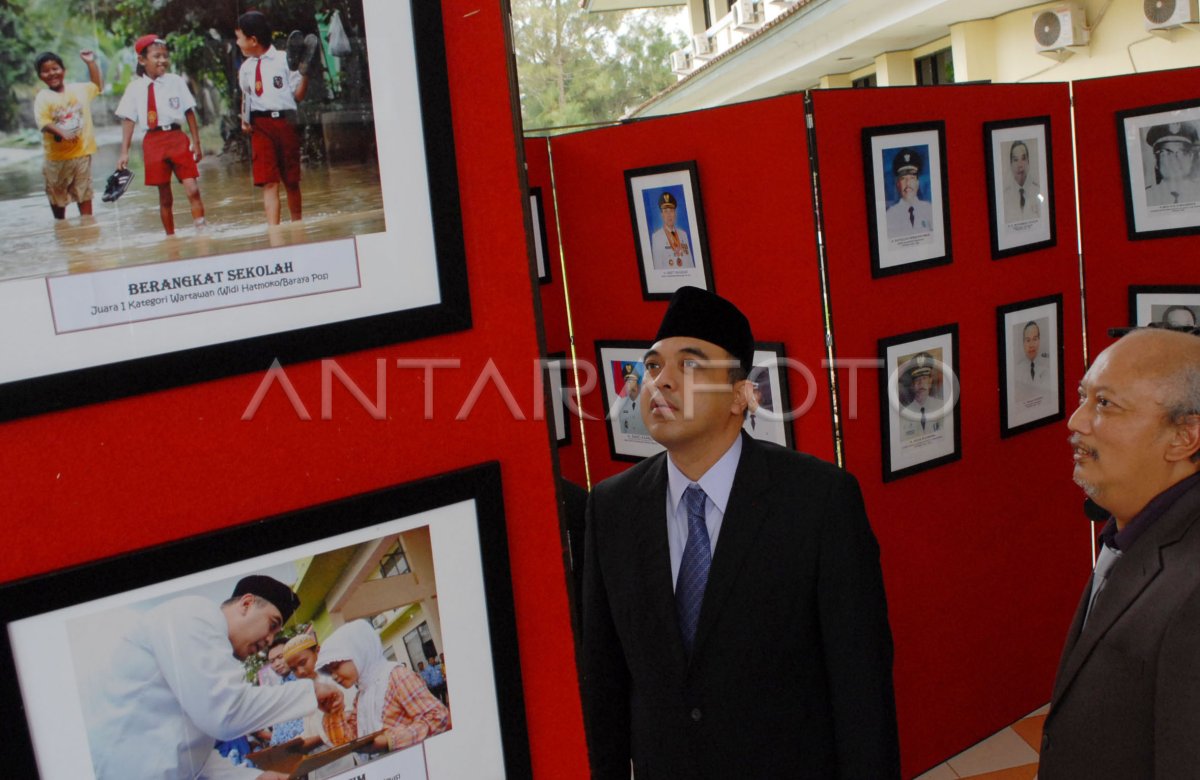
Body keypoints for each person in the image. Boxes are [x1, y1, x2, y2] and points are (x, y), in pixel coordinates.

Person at [582, 286, 899, 778]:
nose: (660, 382)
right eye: (651, 367)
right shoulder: (611, 507)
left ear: (739, 396)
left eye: (688, 366)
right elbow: (603, 682)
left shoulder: (818, 501)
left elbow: (862, 686)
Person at [1040, 328, 1200, 778]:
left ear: (1184, 436)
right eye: (1083, 397)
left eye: (1105, 404)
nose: (1076, 421)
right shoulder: (1133, 522)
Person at [87, 575, 343, 779]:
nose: (268, 641)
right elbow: (226, 713)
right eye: (272, 624)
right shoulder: (195, 615)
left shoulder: (213, 655)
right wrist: (311, 690)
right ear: (246, 604)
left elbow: (191, 755)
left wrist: (251, 778)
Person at [114, 34, 207, 236]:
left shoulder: (176, 81)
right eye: (156, 56)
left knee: (193, 188)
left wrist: (196, 143)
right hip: (153, 142)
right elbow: (129, 120)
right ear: (142, 60)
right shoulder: (135, 88)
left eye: (165, 56)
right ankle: (170, 238)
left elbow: (189, 111)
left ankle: (202, 231)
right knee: (164, 196)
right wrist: (124, 152)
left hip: (177, 138)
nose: (162, 60)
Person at [317, 620, 450, 754]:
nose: (333, 676)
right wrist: (333, 711)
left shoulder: (397, 677)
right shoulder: (362, 695)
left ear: (359, 652)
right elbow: (350, 740)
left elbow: (438, 717)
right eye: (329, 672)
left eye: (335, 667)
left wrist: (389, 740)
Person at [235, 11, 313, 226]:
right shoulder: (246, 68)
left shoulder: (284, 60)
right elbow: (246, 95)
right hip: (260, 126)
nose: (237, 42)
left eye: (239, 37)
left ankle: (298, 226)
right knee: (268, 181)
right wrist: (245, 119)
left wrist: (305, 72)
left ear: (253, 40)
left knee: (291, 180)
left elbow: (297, 95)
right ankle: (274, 232)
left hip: (286, 123)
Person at [33, 50, 102, 220]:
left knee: (84, 194)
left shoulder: (79, 90)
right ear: (40, 76)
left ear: (64, 70)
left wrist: (90, 63)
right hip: (56, 159)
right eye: (45, 71)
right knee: (57, 199)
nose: (51, 73)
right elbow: (43, 122)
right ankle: (61, 227)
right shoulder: (43, 97)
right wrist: (61, 132)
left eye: (55, 68)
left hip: (82, 154)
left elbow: (97, 86)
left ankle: (87, 229)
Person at [1143, 122, 1200, 207]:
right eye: (1165, 153)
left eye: (1182, 152)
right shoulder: (1146, 197)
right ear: (1156, 160)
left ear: (1191, 157)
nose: (1174, 160)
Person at [884, 147, 934, 237]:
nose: (907, 183)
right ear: (898, 184)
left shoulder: (929, 210)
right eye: (903, 179)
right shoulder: (889, 216)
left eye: (912, 178)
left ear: (918, 183)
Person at [900, 352, 943, 440]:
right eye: (917, 380)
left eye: (924, 378)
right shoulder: (904, 415)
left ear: (930, 381)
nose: (921, 384)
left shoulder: (941, 407)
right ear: (912, 385)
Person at [649, 192, 693, 269]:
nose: (669, 215)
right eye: (666, 211)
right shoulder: (656, 237)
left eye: (671, 211)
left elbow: (690, 263)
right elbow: (657, 267)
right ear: (662, 215)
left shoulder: (683, 234)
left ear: (675, 213)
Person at [1002, 139, 1041, 223]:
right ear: (1011, 164)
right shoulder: (1004, 197)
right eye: (1016, 160)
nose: (1020, 165)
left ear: (1028, 162)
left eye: (1023, 158)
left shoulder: (1039, 192)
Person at [1013, 321, 1050, 401]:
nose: (1031, 345)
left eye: (1035, 339)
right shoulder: (1016, 371)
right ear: (1023, 343)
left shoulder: (1048, 368)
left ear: (1039, 340)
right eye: (1028, 340)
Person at [617, 364, 650, 437]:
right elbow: (623, 431)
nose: (628, 383)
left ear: (637, 381)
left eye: (631, 380)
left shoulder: (648, 403)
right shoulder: (622, 405)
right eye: (626, 380)